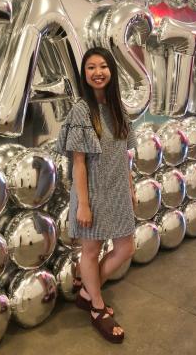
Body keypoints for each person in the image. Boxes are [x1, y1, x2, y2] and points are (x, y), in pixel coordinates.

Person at [55, 47, 137, 344]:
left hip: (117, 190)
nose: (97, 72)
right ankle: (97, 308)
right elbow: (78, 163)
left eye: (103, 66)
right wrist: (84, 205)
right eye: (91, 67)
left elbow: (123, 153)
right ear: (84, 74)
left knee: (125, 248)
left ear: (112, 72)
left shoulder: (119, 109)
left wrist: (129, 186)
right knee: (91, 251)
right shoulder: (81, 110)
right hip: (90, 192)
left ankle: (88, 291)